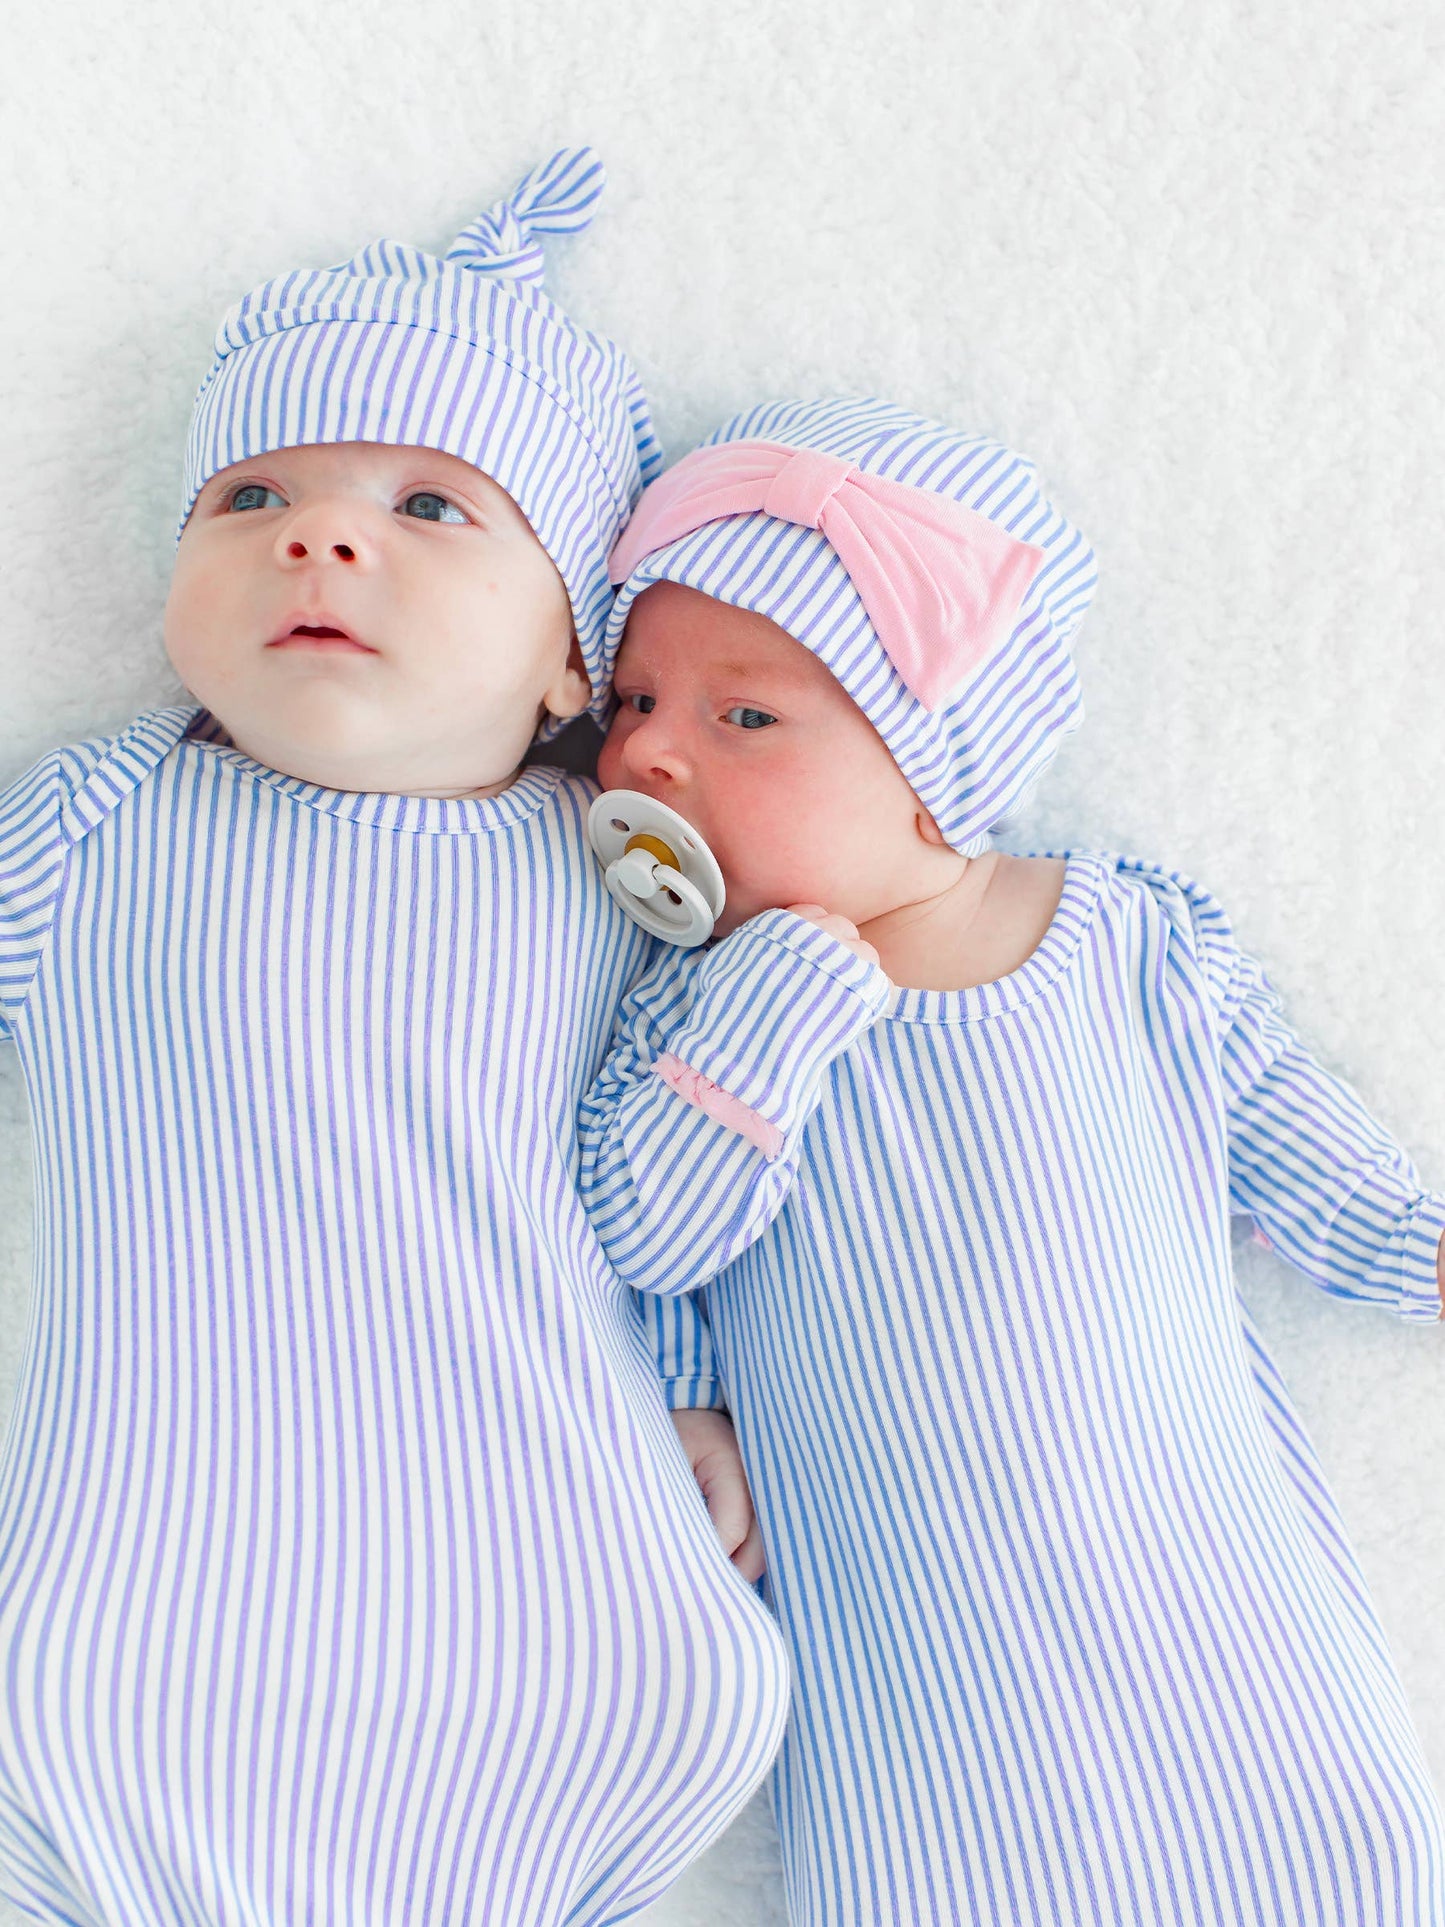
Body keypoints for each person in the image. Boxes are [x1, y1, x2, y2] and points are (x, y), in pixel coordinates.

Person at [0, 151, 787, 1927]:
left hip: (561, 1588)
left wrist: (702, 1385)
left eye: (433, 507)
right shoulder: (96, 825)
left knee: (678, 1688)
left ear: (571, 668)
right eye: (250, 490)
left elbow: (676, 1168)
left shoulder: (620, 884)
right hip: (162, 1591)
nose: (319, 532)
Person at [578, 395, 1445, 1926]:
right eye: (631, 701)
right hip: (927, 1707)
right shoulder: (697, 1019)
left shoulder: (1125, 944)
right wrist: (777, 998)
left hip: (1211, 1618)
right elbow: (641, 1239)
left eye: (744, 716)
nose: (646, 749)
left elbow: (1319, 1174)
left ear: (934, 765)